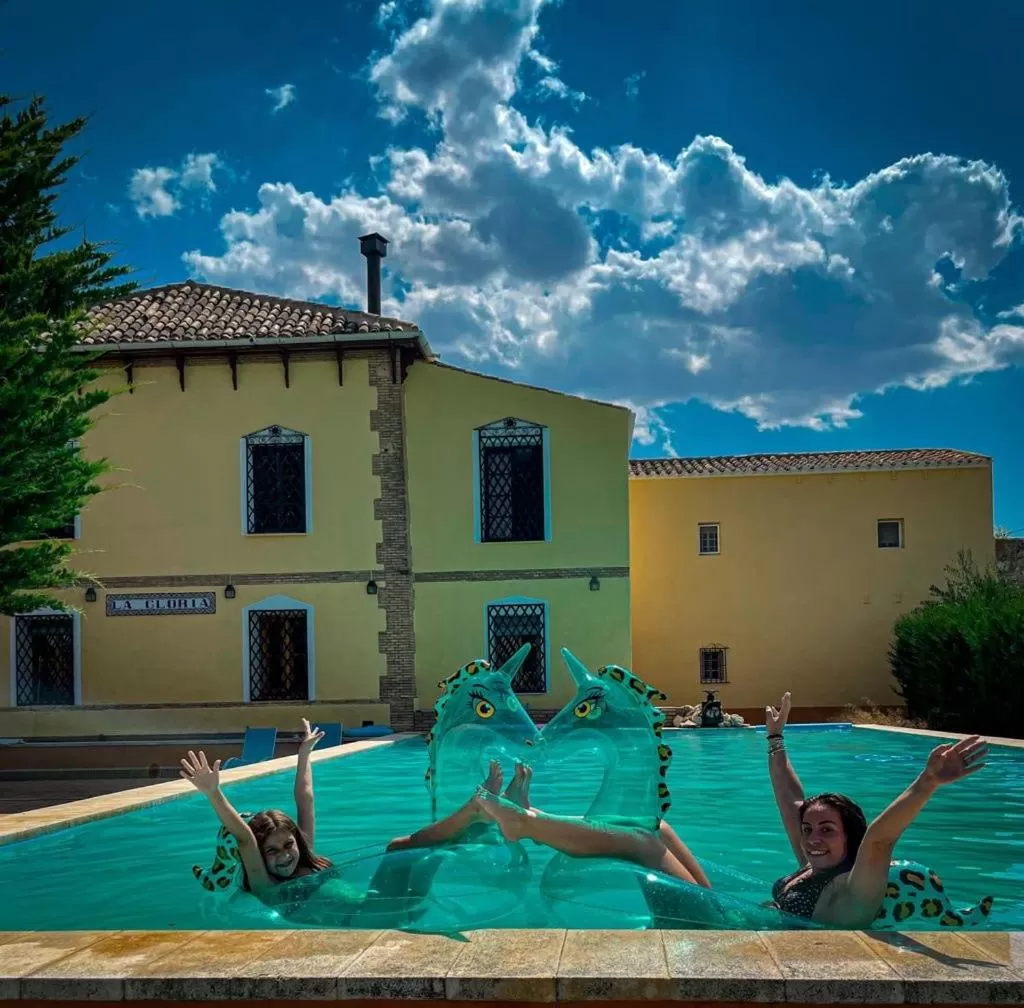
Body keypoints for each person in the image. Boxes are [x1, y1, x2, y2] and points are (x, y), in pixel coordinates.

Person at [763, 691, 987, 927]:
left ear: (850, 836)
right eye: (807, 829)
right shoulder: (814, 865)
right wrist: (775, 737)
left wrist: (927, 782)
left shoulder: (854, 887)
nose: (812, 838)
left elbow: (879, 840)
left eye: (827, 830)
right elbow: (791, 802)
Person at [469, 762, 711, 889]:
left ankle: (526, 823)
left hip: (706, 937)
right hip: (723, 921)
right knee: (657, 827)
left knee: (643, 842)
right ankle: (532, 813)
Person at [180, 718, 331, 897]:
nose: (285, 856)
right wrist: (213, 792)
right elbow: (245, 838)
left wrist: (304, 753)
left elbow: (305, 801)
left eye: (289, 845)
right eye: (272, 851)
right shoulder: (264, 883)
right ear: (258, 855)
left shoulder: (304, 859)